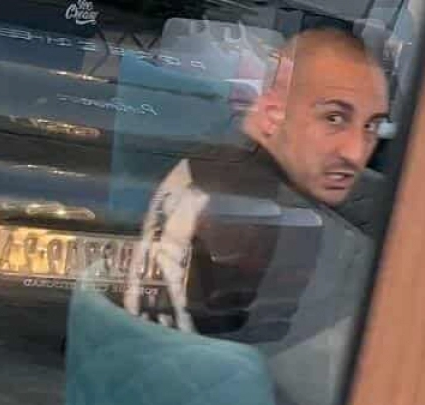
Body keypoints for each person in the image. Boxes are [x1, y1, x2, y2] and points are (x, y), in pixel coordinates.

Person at [112, 26, 389, 405]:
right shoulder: (268, 220)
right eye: (334, 118)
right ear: (274, 112)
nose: (356, 152)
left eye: (371, 126)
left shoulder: (213, 167)